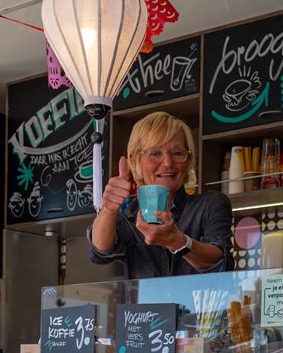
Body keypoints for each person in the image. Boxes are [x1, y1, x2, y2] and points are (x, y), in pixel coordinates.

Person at [87, 111, 234, 279]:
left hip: (199, 306)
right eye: (155, 153)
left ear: (188, 161)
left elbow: (221, 262)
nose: (168, 163)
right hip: (147, 307)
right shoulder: (128, 217)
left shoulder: (210, 204)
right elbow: (99, 251)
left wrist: (177, 241)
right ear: (135, 160)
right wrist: (108, 209)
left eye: (178, 153)